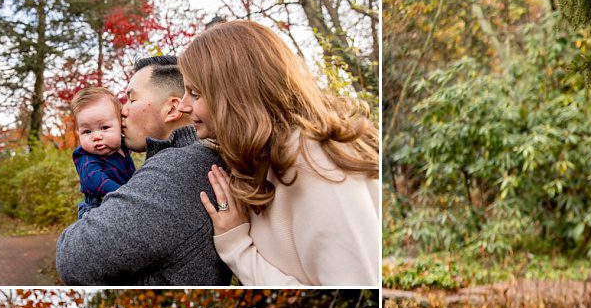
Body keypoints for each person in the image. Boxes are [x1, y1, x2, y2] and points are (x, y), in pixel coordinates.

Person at [180, 20, 379, 286]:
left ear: (236, 93)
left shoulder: (315, 158)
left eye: (194, 93)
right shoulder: (265, 155)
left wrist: (237, 246)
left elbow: (355, 288)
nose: (182, 105)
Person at [56, 55, 232, 286]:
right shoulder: (200, 161)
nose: (123, 112)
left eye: (131, 100)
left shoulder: (174, 172)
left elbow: (72, 260)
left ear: (172, 109)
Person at [69, 87, 136, 220]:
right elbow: (97, 182)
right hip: (97, 207)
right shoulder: (85, 158)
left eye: (104, 128)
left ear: (121, 126)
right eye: (87, 131)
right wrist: (127, 194)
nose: (96, 136)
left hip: (123, 201)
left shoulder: (124, 144)